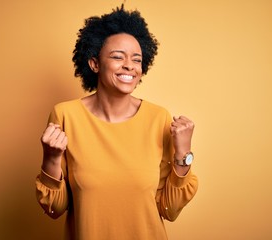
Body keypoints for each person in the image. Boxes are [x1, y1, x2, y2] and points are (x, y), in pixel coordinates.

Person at [35, 5, 198, 240]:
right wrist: (50, 157)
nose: (129, 65)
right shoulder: (65, 116)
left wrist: (184, 152)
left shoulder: (159, 118)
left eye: (136, 59)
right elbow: (54, 209)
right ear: (94, 64)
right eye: (117, 57)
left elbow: (168, 210)